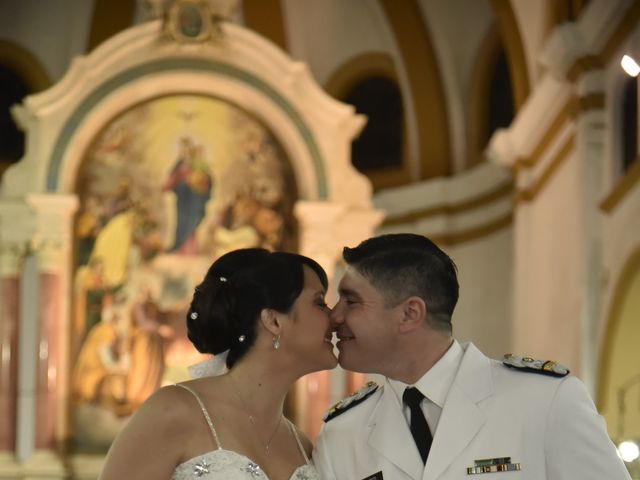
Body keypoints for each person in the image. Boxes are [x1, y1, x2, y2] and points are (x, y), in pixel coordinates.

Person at [313, 233, 630, 480]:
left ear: (410, 313)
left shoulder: (545, 401)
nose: (334, 316)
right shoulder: (342, 434)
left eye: (351, 301)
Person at [100, 248, 336, 479]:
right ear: (273, 321)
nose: (334, 316)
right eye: (320, 303)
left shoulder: (301, 445)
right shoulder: (173, 410)